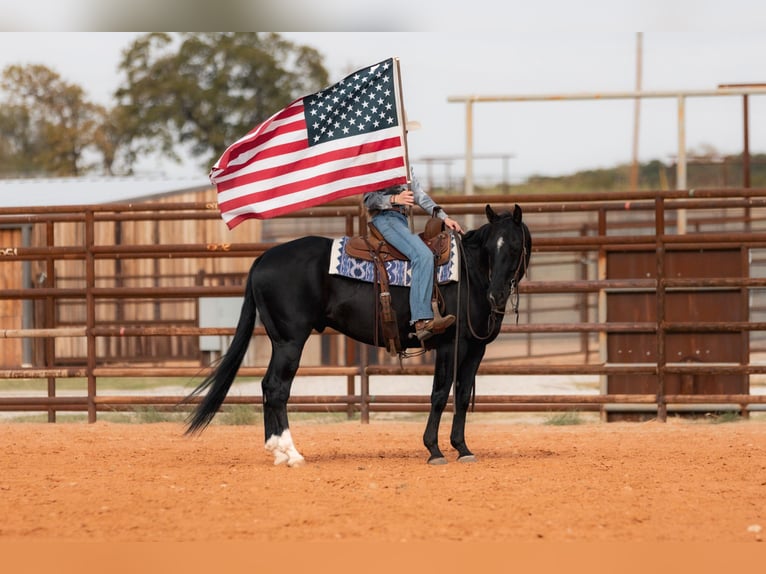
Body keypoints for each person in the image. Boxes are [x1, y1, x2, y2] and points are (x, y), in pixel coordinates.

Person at [363, 172, 464, 342]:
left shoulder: (405, 164)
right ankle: (421, 320)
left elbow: (420, 197)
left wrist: (445, 218)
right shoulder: (380, 163)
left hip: (400, 221)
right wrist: (395, 199)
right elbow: (368, 200)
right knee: (423, 255)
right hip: (386, 219)